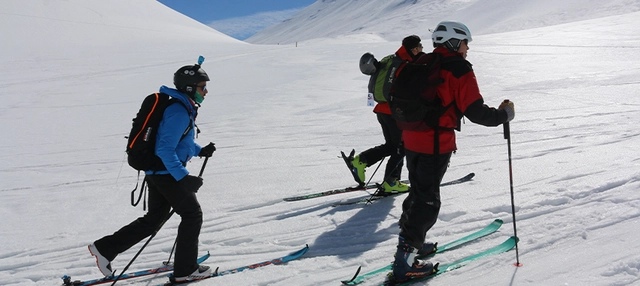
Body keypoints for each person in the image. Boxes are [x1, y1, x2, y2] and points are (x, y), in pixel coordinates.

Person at [391, 21, 515, 282]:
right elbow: (475, 111)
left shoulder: (422, 61)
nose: (467, 48)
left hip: (410, 138)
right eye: (465, 42)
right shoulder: (458, 68)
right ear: (454, 42)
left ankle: (414, 242)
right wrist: (504, 115)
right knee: (428, 200)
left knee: (418, 191)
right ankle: (405, 259)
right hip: (434, 143)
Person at [88, 63, 217, 283]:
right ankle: (185, 270)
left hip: (158, 172)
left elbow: (178, 141)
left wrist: (199, 150)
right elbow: (164, 149)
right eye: (202, 87)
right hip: (167, 173)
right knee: (192, 215)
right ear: (189, 88)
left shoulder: (181, 107)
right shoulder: (179, 110)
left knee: (154, 218)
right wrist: (183, 178)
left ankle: (105, 248)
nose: (206, 91)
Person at [348, 35, 424, 194]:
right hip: (395, 113)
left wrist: (372, 103)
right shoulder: (404, 64)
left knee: (391, 146)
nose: (422, 50)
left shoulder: (390, 59)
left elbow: (373, 84)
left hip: (382, 111)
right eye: (420, 47)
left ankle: (360, 162)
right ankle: (391, 182)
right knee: (400, 148)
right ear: (414, 49)